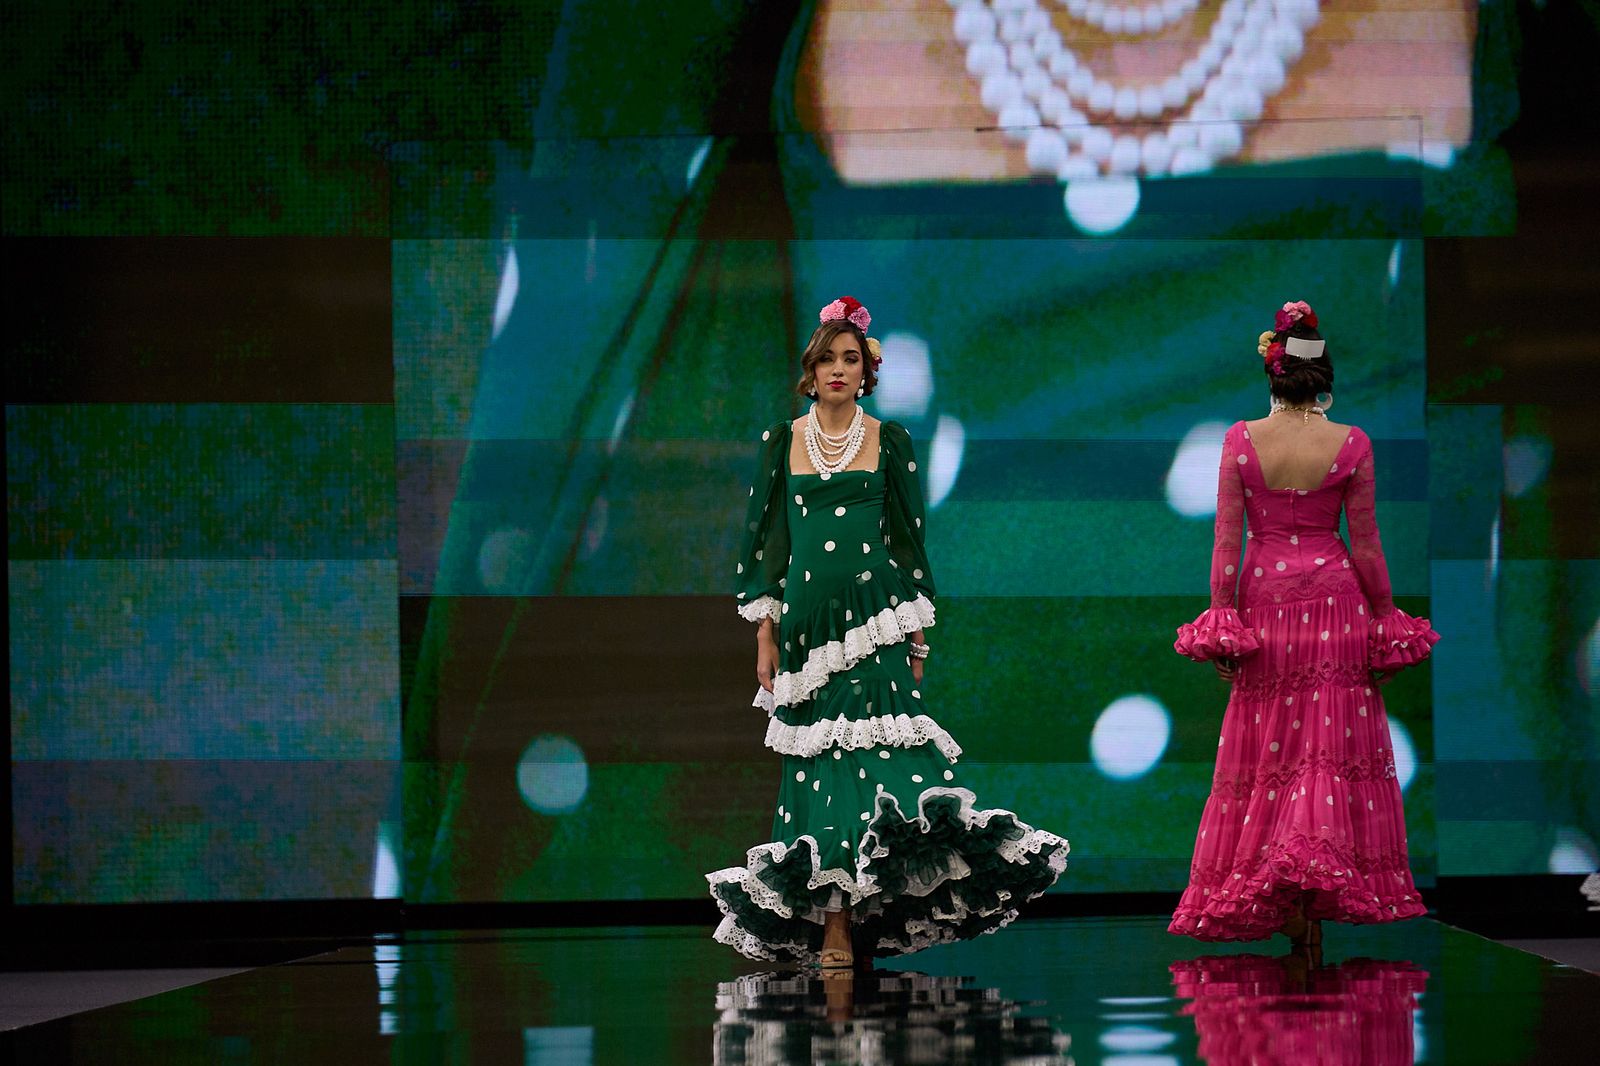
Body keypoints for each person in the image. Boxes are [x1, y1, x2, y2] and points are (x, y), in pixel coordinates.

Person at [707, 296, 1069, 971]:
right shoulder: (781, 443)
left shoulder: (890, 440)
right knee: (819, 772)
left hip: (877, 622)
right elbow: (765, 549)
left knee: (876, 770)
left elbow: (908, 548)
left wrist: (918, 639)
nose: (837, 369)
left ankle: (857, 917)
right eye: (826, 359)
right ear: (809, 371)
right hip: (809, 629)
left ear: (865, 371)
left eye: (850, 359)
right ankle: (834, 918)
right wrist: (764, 632)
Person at [1169, 300, 1438, 946]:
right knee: (1324, 752)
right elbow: (1367, 546)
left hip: (1267, 606)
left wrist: (1222, 618)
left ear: (1273, 373)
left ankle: (1285, 899)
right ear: (1323, 379)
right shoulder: (1351, 443)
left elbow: (1225, 547)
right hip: (1335, 608)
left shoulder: (1240, 440)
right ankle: (1311, 902)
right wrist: (1384, 620)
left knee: (1272, 755)